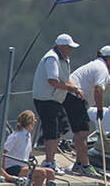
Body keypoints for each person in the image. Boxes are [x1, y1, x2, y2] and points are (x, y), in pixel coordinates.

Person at [66, 45, 110, 177]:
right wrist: (99, 109)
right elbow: (99, 89)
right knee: (82, 133)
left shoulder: (98, 67)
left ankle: (79, 164)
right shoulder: (101, 68)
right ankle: (85, 166)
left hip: (73, 98)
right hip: (75, 99)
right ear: (108, 58)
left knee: (82, 133)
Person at [32, 33, 82, 168]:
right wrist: (71, 88)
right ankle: (49, 161)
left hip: (56, 99)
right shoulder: (52, 58)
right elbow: (53, 80)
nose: (70, 50)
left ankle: (51, 159)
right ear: (61, 47)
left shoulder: (64, 59)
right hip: (46, 99)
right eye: (68, 47)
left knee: (61, 128)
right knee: (51, 130)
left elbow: (65, 79)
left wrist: (74, 87)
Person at [2, 109, 56, 186]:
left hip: (22, 166)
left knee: (50, 172)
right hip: (13, 167)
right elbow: (3, 152)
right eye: (33, 120)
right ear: (29, 122)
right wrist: (4, 172)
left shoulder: (28, 135)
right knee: (41, 173)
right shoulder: (16, 135)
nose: (35, 122)